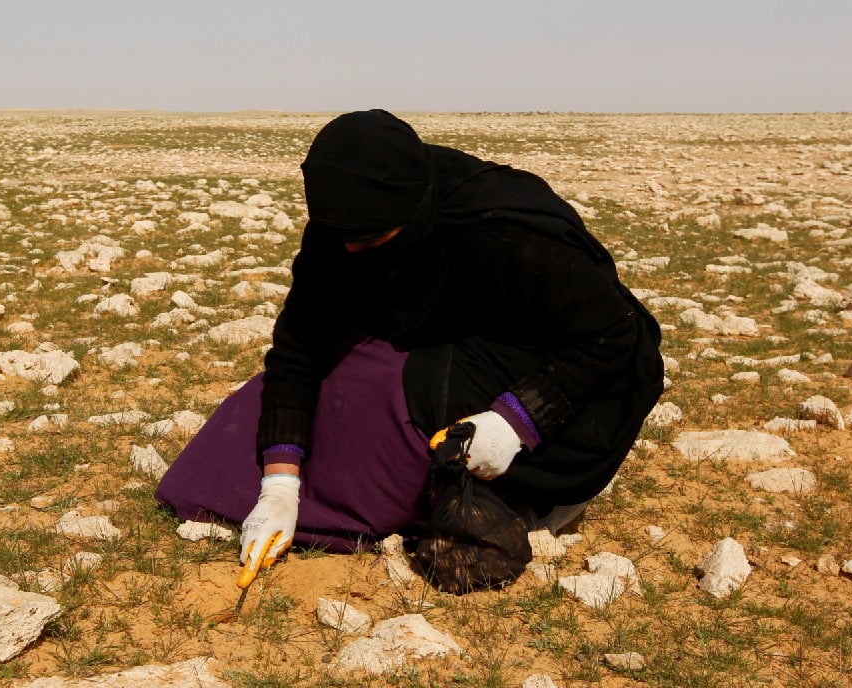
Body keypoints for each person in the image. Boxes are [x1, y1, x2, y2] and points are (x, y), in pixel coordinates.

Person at [155, 110, 664, 594]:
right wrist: (280, 484)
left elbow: (611, 332)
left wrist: (516, 422)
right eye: (346, 240)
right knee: (241, 446)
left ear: (411, 210)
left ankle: (531, 497)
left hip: (543, 368)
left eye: (371, 239)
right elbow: (298, 350)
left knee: (392, 454)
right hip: (417, 352)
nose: (353, 254)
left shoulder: (500, 229)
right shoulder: (342, 228)